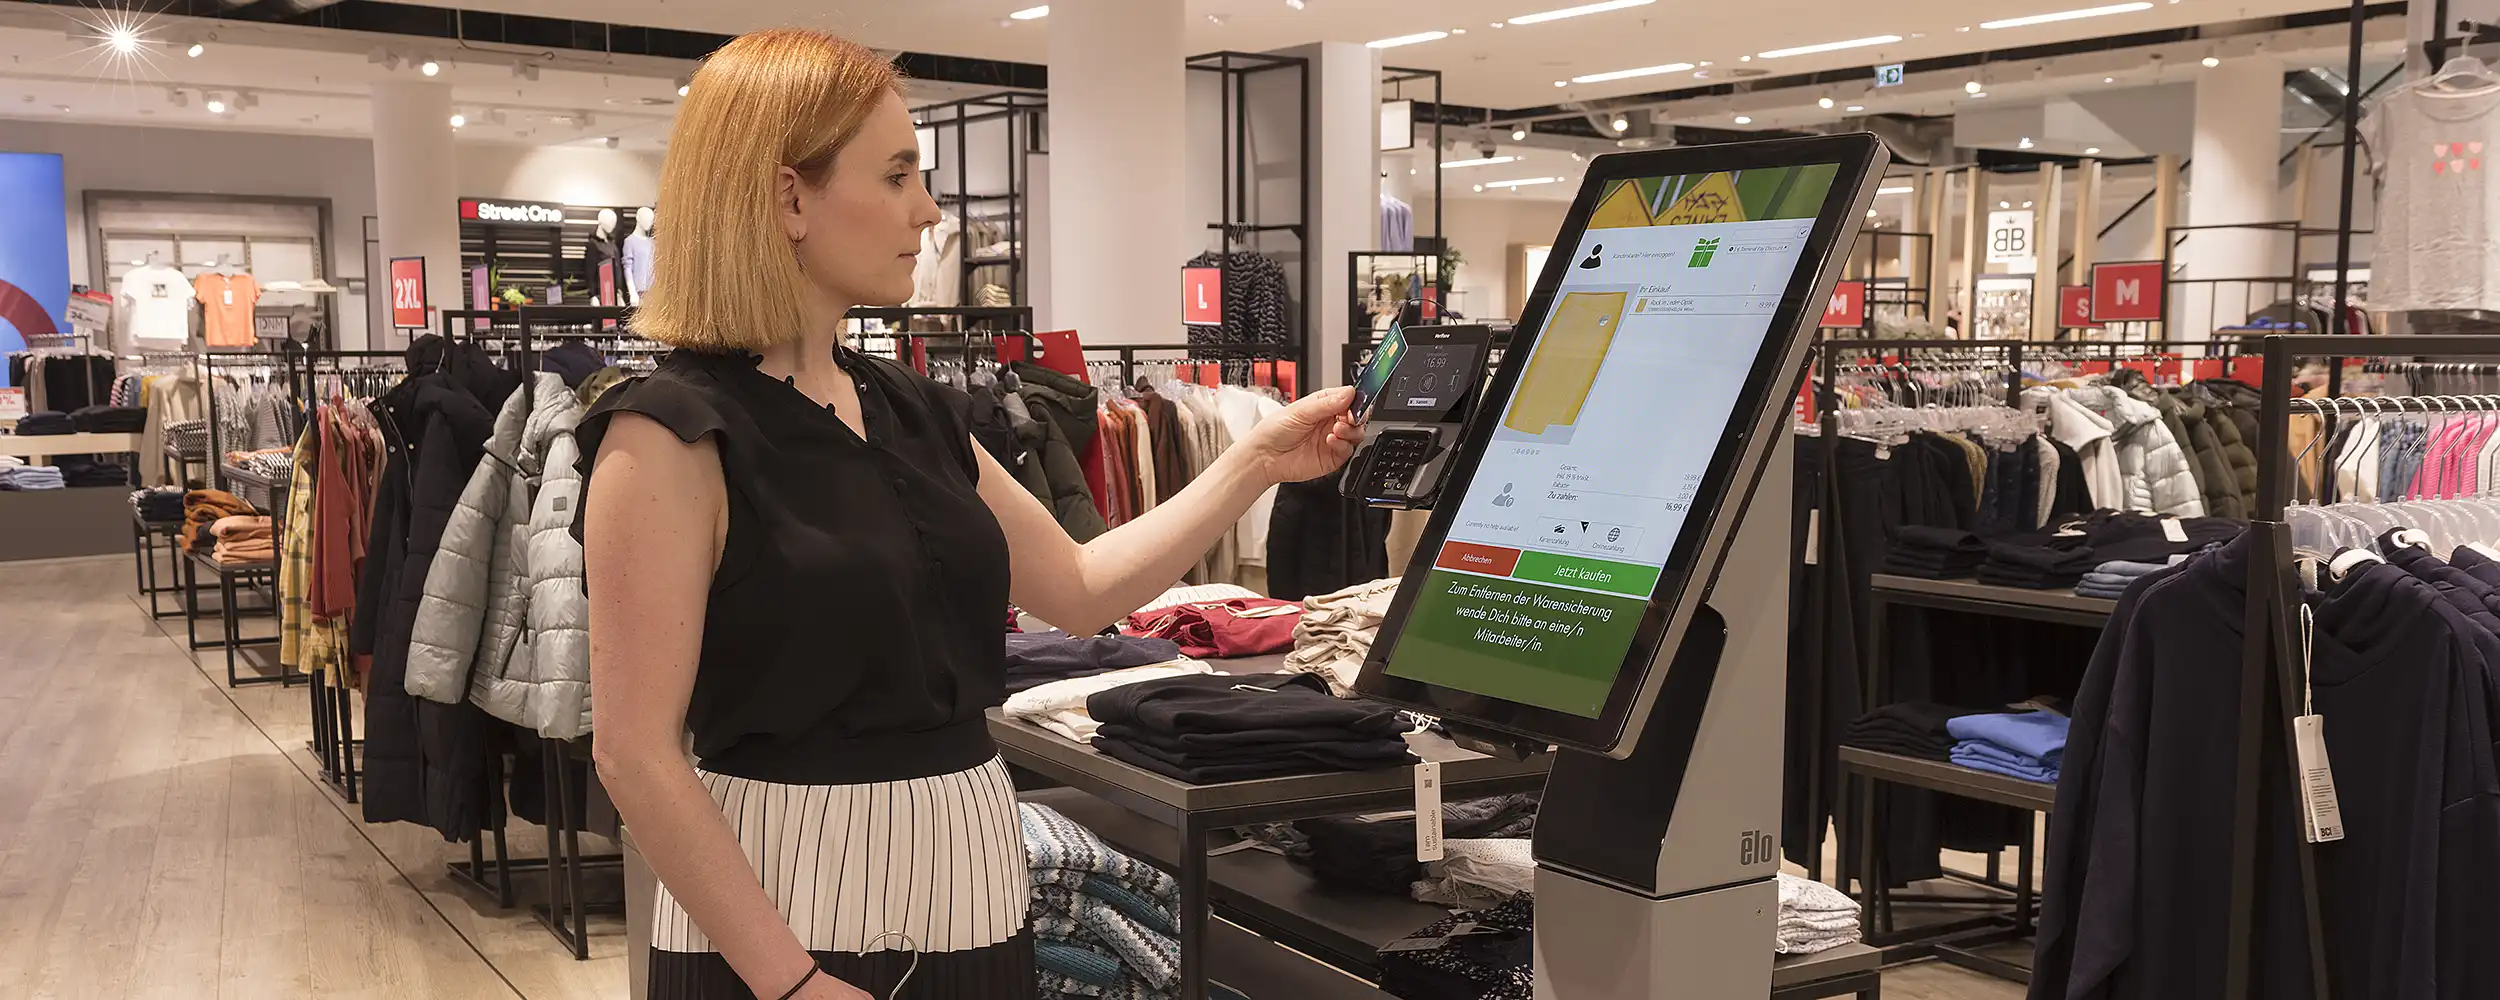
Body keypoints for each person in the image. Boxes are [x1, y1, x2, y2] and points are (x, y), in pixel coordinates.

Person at [578, 28, 1363, 1000]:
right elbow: (634, 751)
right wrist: (788, 980)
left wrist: (1254, 458)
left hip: (969, 886)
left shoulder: (913, 409)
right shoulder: (668, 435)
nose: (930, 210)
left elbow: (1079, 590)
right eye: (899, 174)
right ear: (788, 197)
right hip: (785, 911)